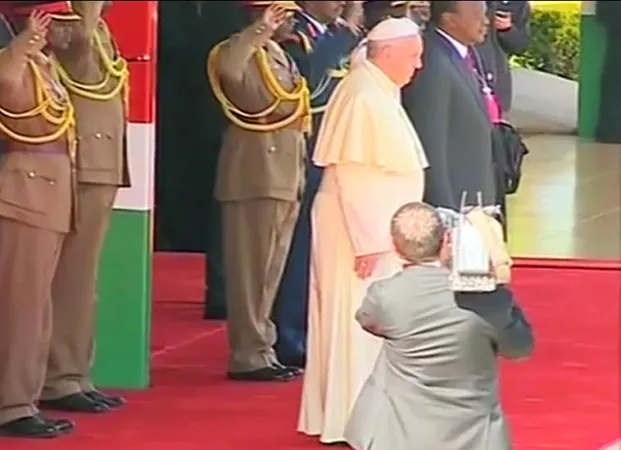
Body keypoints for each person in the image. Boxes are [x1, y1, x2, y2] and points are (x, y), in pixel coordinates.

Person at [298, 17, 428, 444]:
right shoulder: (362, 96)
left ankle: (364, 416)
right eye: (413, 56)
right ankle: (355, 419)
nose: (419, 65)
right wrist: (369, 242)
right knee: (357, 325)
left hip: (376, 232)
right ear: (387, 54)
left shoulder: (376, 89)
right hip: (360, 235)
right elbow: (353, 175)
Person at [344, 202, 534, 450]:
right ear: (446, 239)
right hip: (474, 435)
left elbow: (368, 321)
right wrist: (499, 284)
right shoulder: (488, 299)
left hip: (394, 434)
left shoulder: (385, 295)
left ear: (395, 247)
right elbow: (520, 348)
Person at [207, 0, 310, 382]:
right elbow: (231, 73)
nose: (291, 22)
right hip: (255, 171)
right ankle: (247, 353)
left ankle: (261, 348)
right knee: (250, 271)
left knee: (269, 270)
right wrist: (258, 31)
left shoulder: (278, 52)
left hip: (283, 167)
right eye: (284, 15)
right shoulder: (239, 48)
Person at [35, 0, 129, 413]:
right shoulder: (69, 28)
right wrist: (85, 9)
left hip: (101, 166)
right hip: (82, 166)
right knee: (70, 280)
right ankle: (59, 377)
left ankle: (75, 372)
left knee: (84, 281)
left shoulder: (101, 29)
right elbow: (79, 54)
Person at [0, 1, 78, 438]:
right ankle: (11, 405)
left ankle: (25, 397)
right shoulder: (13, 62)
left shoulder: (45, 66)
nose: (63, 32)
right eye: (56, 23)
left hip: (50, 194)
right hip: (24, 193)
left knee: (38, 309)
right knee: (19, 309)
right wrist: (18, 47)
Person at [274, 0, 363, 368]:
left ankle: (313, 329)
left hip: (331, 150)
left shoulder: (328, 35)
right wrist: (344, 32)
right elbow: (311, 78)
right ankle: (290, 336)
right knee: (299, 250)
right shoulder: (299, 38)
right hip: (306, 151)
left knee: (322, 248)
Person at [477, 0, 530, 114]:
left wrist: (507, 29)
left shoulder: (517, 4)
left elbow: (519, 45)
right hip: (465, 71)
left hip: (496, 82)